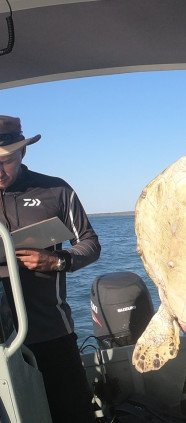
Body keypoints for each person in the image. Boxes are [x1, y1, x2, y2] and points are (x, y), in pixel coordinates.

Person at [0, 115, 101, 423]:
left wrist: (57, 261)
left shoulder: (55, 190)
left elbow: (90, 244)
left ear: (22, 153)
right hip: (2, 343)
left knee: (73, 414)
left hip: (51, 334)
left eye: (6, 160)